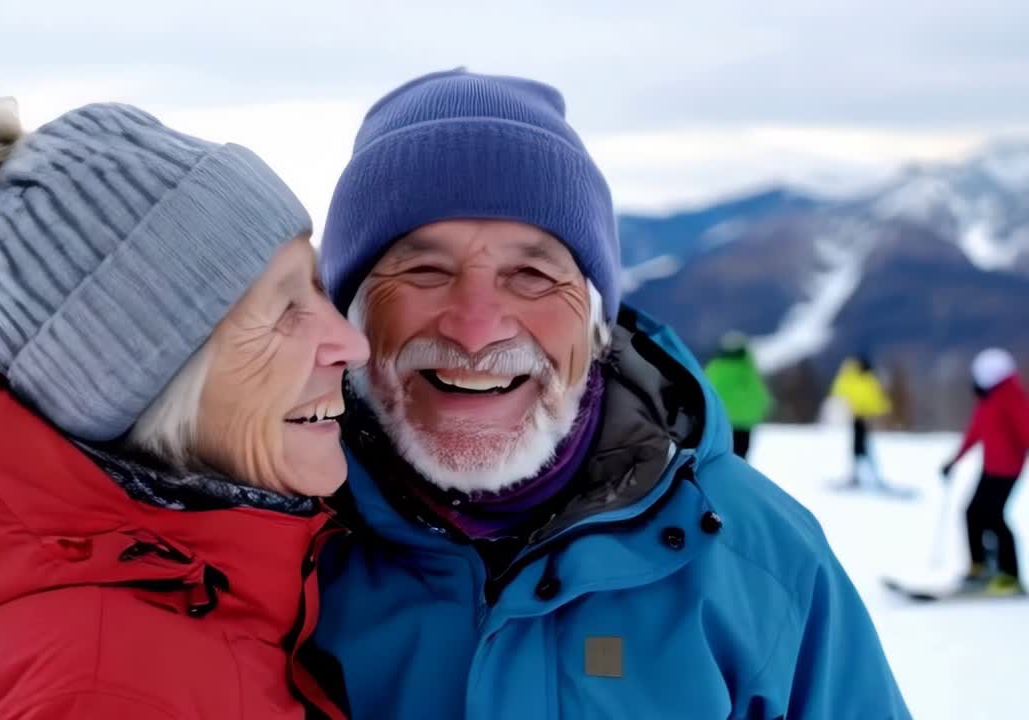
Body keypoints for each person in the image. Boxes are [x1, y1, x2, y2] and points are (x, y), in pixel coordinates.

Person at [308, 69, 909, 718]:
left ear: (597, 324)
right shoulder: (270, 553)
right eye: (424, 269)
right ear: (351, 315)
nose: (477, 328)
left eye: (533, 274)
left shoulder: (756, 557)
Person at [0, 99, 368, 719]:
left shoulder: (169, 611)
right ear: (152, 384)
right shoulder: (110, 686)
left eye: (317, 288)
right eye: (283, 312)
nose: (351, 344)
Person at [941, 348, 1029, 596]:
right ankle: (980, 569)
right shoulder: (988, 399)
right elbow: (975, 433)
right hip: (990, 468)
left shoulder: (1012, 397)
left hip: (1008, 470)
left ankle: (1010, 577)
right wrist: (954, 461)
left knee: (994, 517)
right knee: (972, 513)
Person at [703, 331, 773, 459]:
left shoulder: (714, 368)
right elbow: (759, 394)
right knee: (741, 455)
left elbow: (705, 392)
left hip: (721, 421)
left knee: (722, 456)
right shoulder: (748, 369)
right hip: (744, 422)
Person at [831, 353, 893, 487]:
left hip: (862, 417)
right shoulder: (859, 378)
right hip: (860, 417)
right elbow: (875, 398)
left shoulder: (856, 378)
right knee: (861, 446)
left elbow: (874, 398)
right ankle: (865, 475)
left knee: (860, 446)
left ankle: (862, 476)